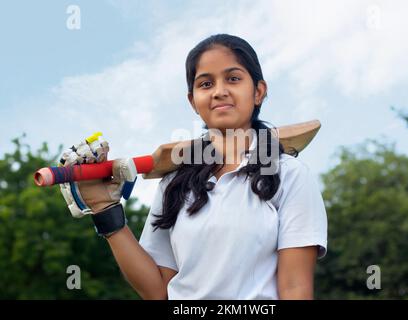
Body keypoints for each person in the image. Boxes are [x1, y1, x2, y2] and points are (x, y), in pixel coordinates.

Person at [59, 34, 328, 300]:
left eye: (233, 78)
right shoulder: (174, 183)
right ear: (193, 101)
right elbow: (156, 291)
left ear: (258, 91)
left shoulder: (289, 174)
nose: (219, 91)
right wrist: (105, 209)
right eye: (206, 83)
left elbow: (295, 288)